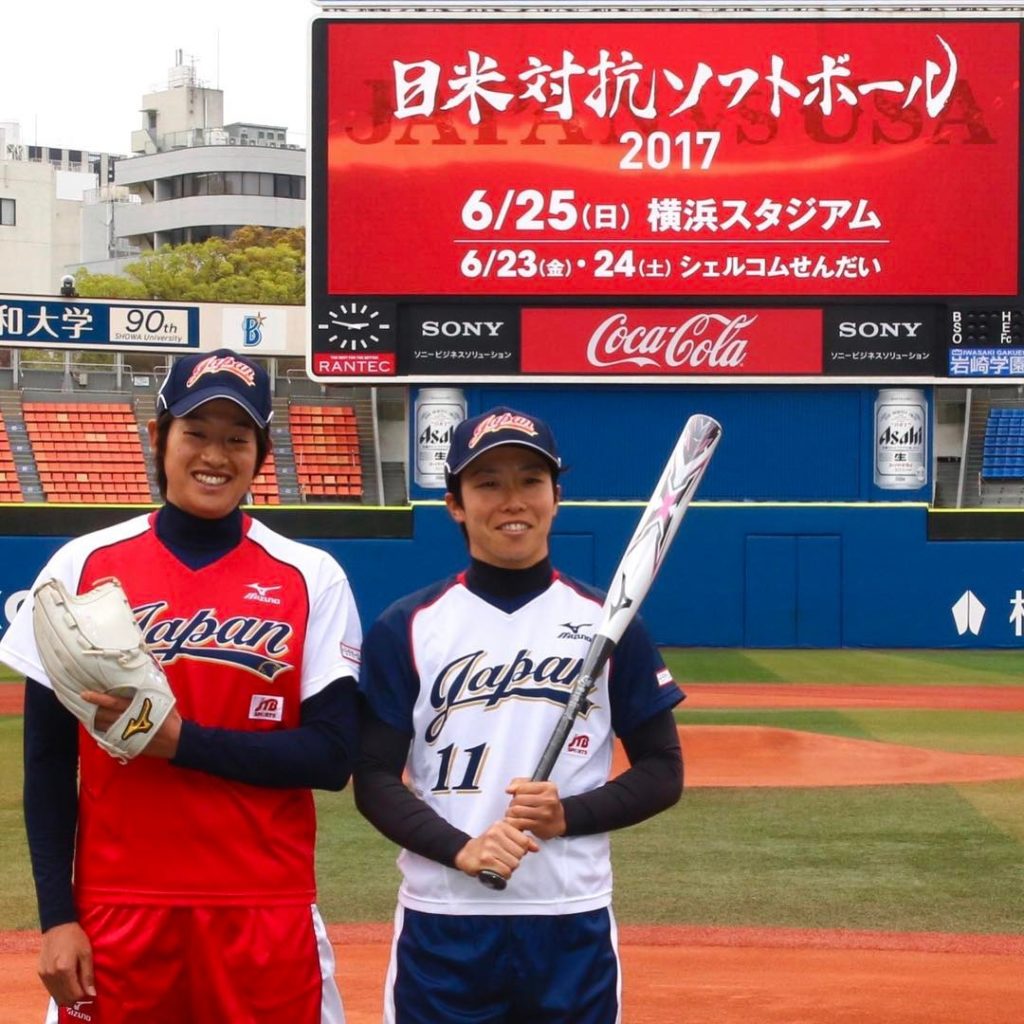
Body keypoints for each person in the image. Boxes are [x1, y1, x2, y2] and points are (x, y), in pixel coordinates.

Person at [0, 348, 362, 1024]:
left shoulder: (310, 575)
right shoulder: (81, 564)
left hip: (265, 909)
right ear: (158, 437)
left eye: (237, 437)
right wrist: (57, 917)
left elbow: (333, 756)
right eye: (196, 432)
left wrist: (180, 742)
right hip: (117, 911)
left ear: (261, 451)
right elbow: (47, 766)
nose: (215, 455)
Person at [354, 405, 684, 1023]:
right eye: (488, 483)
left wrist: (566, 817)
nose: (512, 500)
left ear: (556, 496)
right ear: (455, 503)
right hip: (444, 922)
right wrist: (460, 849)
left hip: (569, 919)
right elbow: (372, 777)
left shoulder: (607, 626)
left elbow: (664, 770)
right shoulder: (408, 626)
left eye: (530, 480)